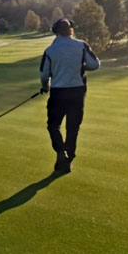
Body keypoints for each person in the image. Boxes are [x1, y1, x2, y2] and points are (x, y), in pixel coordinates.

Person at [39, 18, 100, 173]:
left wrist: (45, 87)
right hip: (77, 92)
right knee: (73, 128)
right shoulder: (81, 45)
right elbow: (95, 64)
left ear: (56, 31)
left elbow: (44, 74)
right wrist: (81, 67)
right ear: (70, 30)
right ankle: (68, 159)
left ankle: (61, 152)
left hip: (58, 93)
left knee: (53, 125)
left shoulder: (50, 50)